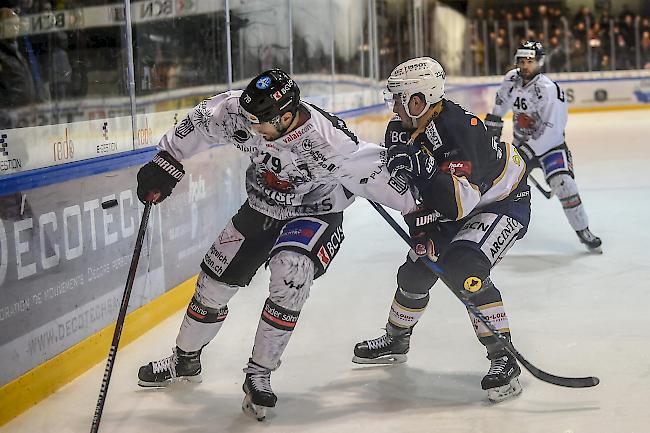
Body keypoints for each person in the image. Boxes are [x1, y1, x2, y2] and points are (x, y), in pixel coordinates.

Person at [135, 69, 416, 420]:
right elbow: (199, 121)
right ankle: (184, 360)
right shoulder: (237, 110)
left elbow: (384, 178)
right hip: (261, 206)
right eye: (249, 119)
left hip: (316, 213)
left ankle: (259, 373)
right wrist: (167, 161)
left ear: (286, 117)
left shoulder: (329, 144)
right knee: (212, 287)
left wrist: (425, 219)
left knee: (290, 274)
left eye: (260, 123)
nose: (252, 128)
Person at [352, 57, 530, 403]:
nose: (394, 106)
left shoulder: (463, 130)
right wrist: (422, 232)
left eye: (398, 98)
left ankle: (503, 357)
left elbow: (459, 204)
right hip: (460, 202)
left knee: (464, 267)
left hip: (501, 200)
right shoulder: (400, 129)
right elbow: (408, 193)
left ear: (418, 100)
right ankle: (396, 339)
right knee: (415, 272)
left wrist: (426, 171)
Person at [484, 41, 602, 252]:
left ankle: (583, 229)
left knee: (565, 184)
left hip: (551, 148)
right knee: (497, 184)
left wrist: (527, 151)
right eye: (521, 61)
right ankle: (485, 230)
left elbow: (553, 129)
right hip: (522, 145)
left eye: (529, 61)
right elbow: (498, 109)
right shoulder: (511, 80)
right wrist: (490, 138)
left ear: (539, 62)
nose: (524, 65)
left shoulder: (548, 89)